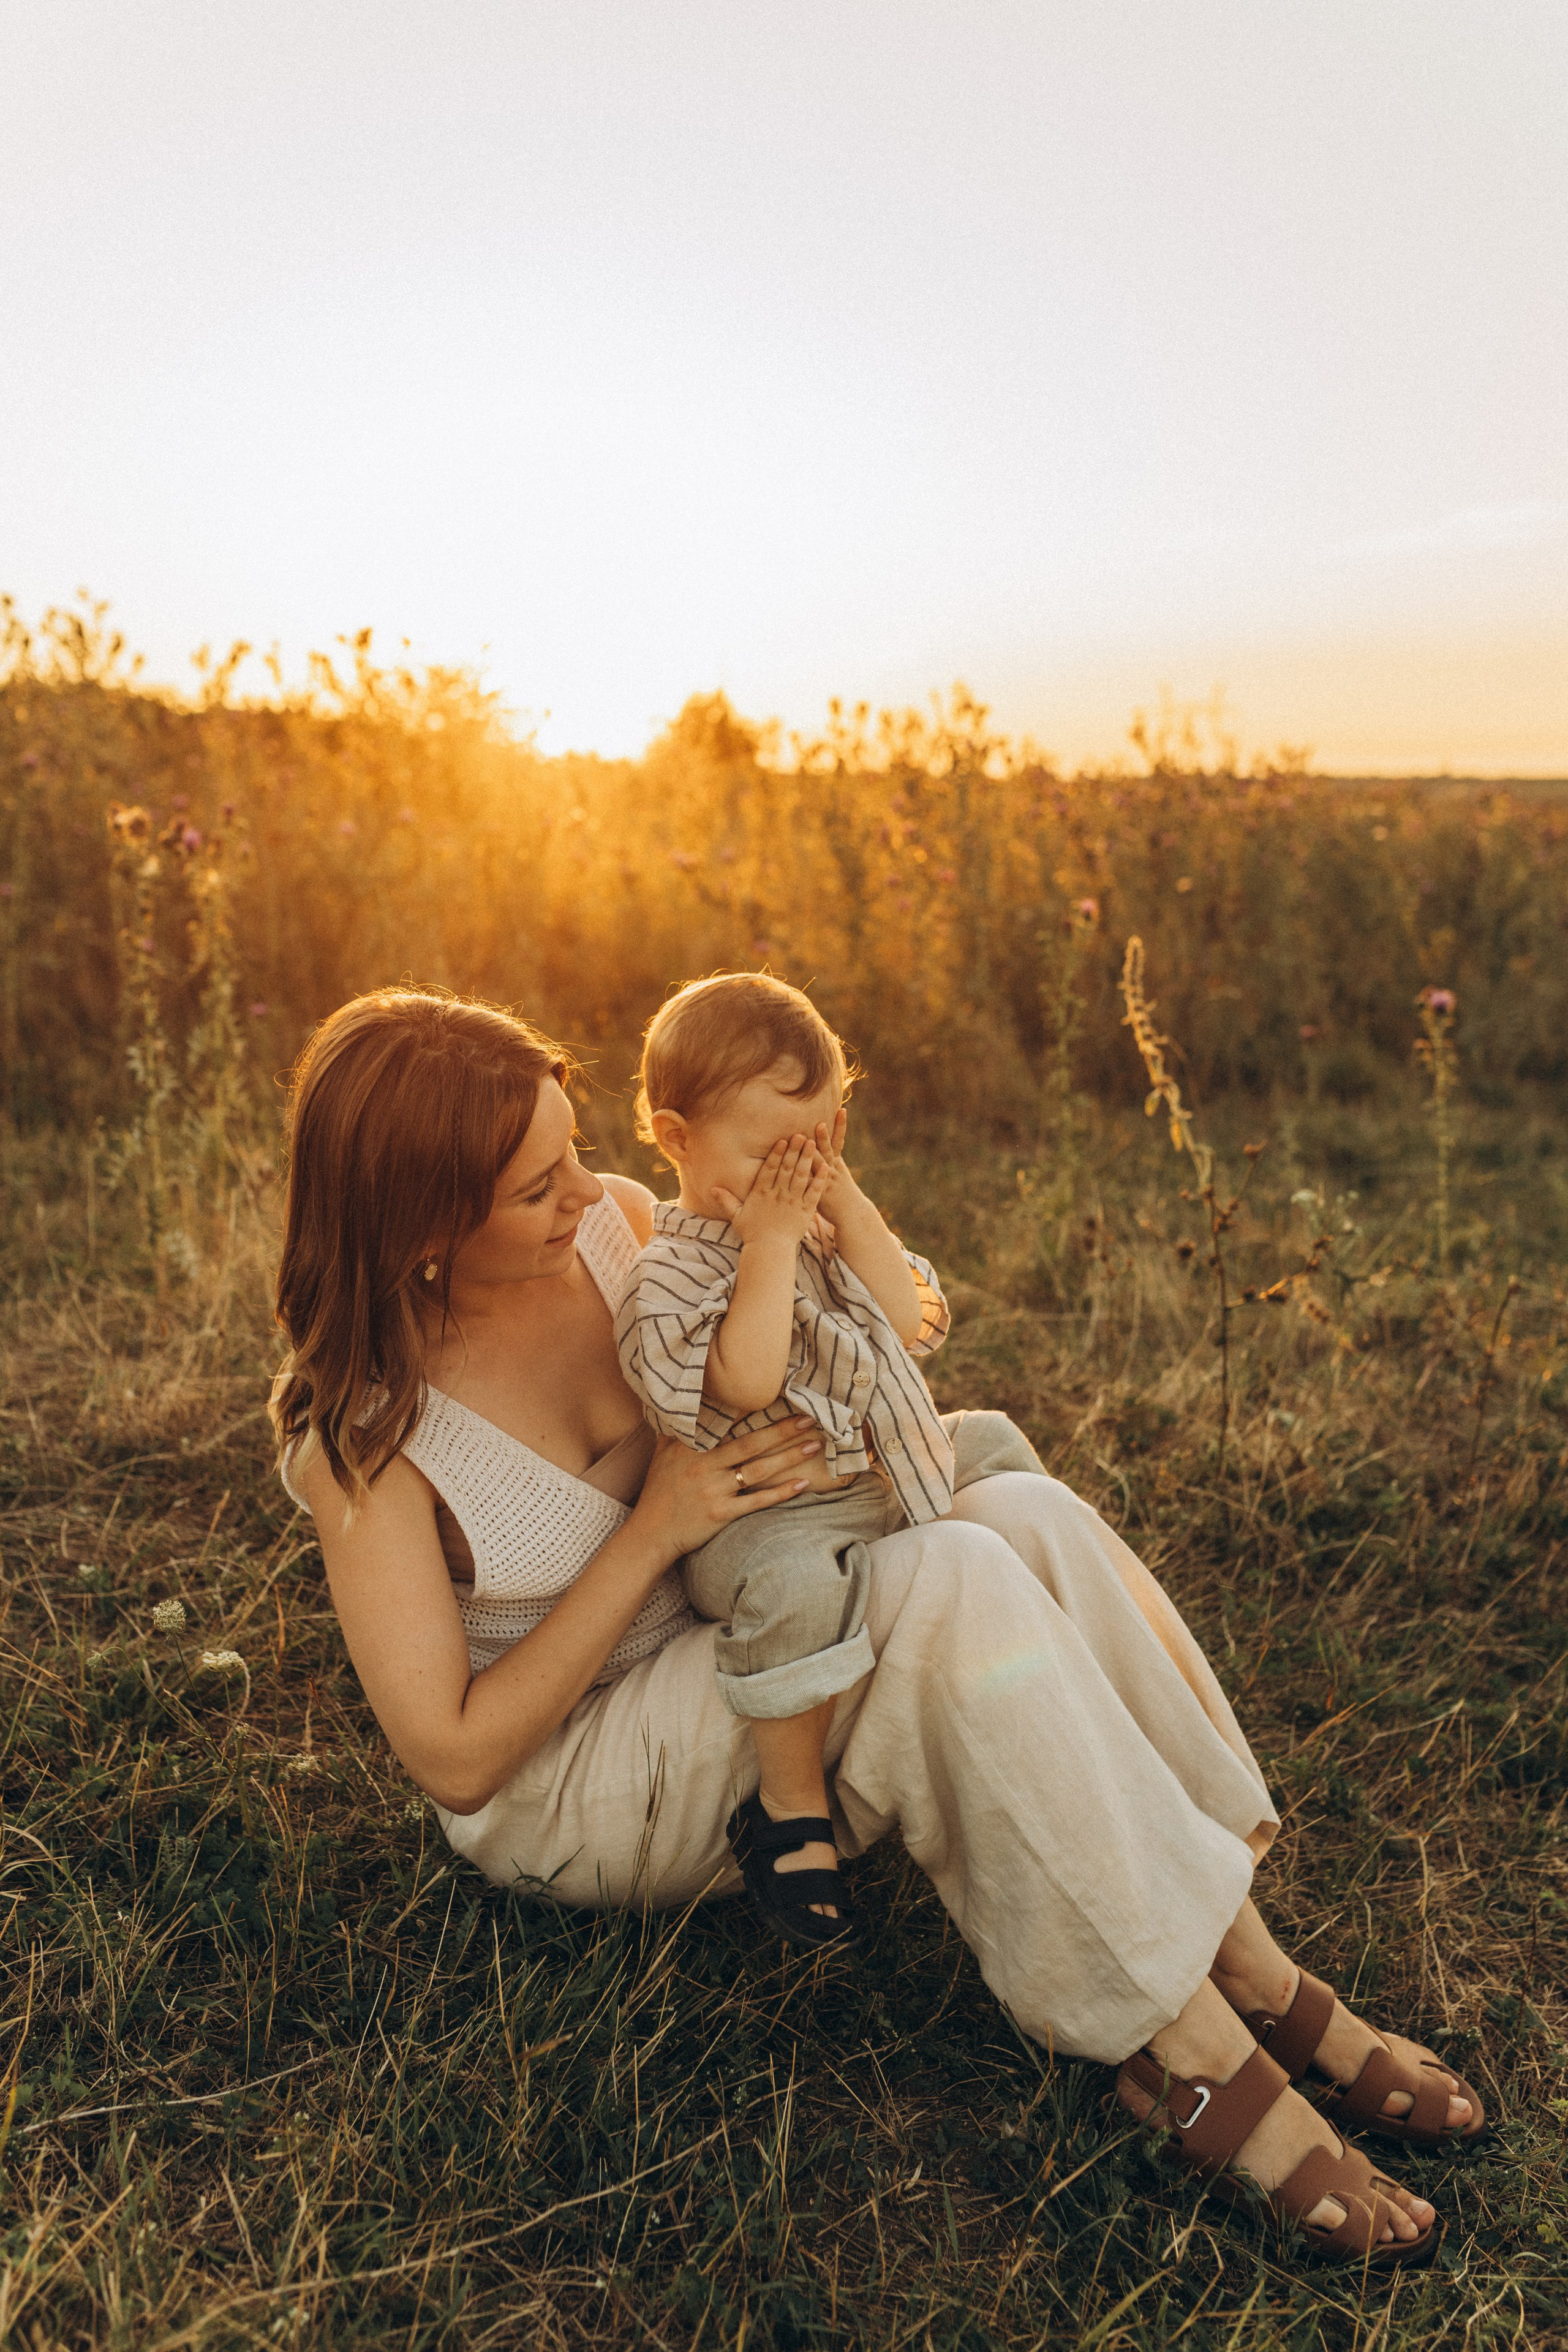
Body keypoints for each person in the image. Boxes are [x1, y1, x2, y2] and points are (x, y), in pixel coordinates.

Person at [271, 985, 1488, 2271]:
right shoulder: (368, 1431)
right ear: (424, 1226)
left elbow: (812, 1336)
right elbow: (457, 1760)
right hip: (574, 1769)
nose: (586, 1187)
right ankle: (1190, 2051)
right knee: (942, 1583)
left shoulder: (618, 1231)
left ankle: (1245, 1959)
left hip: (746, 1622)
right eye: (538, 1186)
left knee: (1021, 1509)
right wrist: (655, 1529)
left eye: (572, 1148)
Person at [614, 971, 1045, 1948]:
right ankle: (792, 1808)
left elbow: (911, 1322)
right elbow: (748, 1380)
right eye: (770, 1156)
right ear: (676, 1138)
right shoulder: (666, 1277)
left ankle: (1045, 1632)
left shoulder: (825, 1225)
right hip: (765, 1519)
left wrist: (844, 1202)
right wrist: (768, 1248)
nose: (794, 1179)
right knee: (799, 1590)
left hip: (880, 1470)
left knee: (995, 1443)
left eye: (814, 1148)